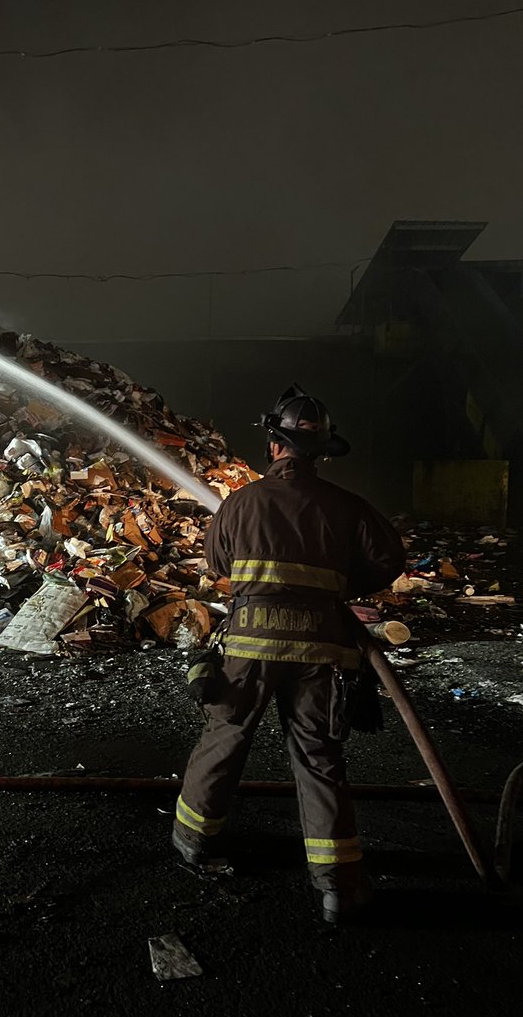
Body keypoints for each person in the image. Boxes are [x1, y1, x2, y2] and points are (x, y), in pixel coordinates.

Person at [173, 386, 406, 923]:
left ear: (274, 445)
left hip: (249, 646)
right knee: (320, 759)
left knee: (225, 738)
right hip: (324, 649)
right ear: (321, 451)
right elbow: (388, 559)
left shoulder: (239, 502)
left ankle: (194, 841)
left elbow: (217, 565)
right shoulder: (348, 507)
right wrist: (338, 586)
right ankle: (337, 886)